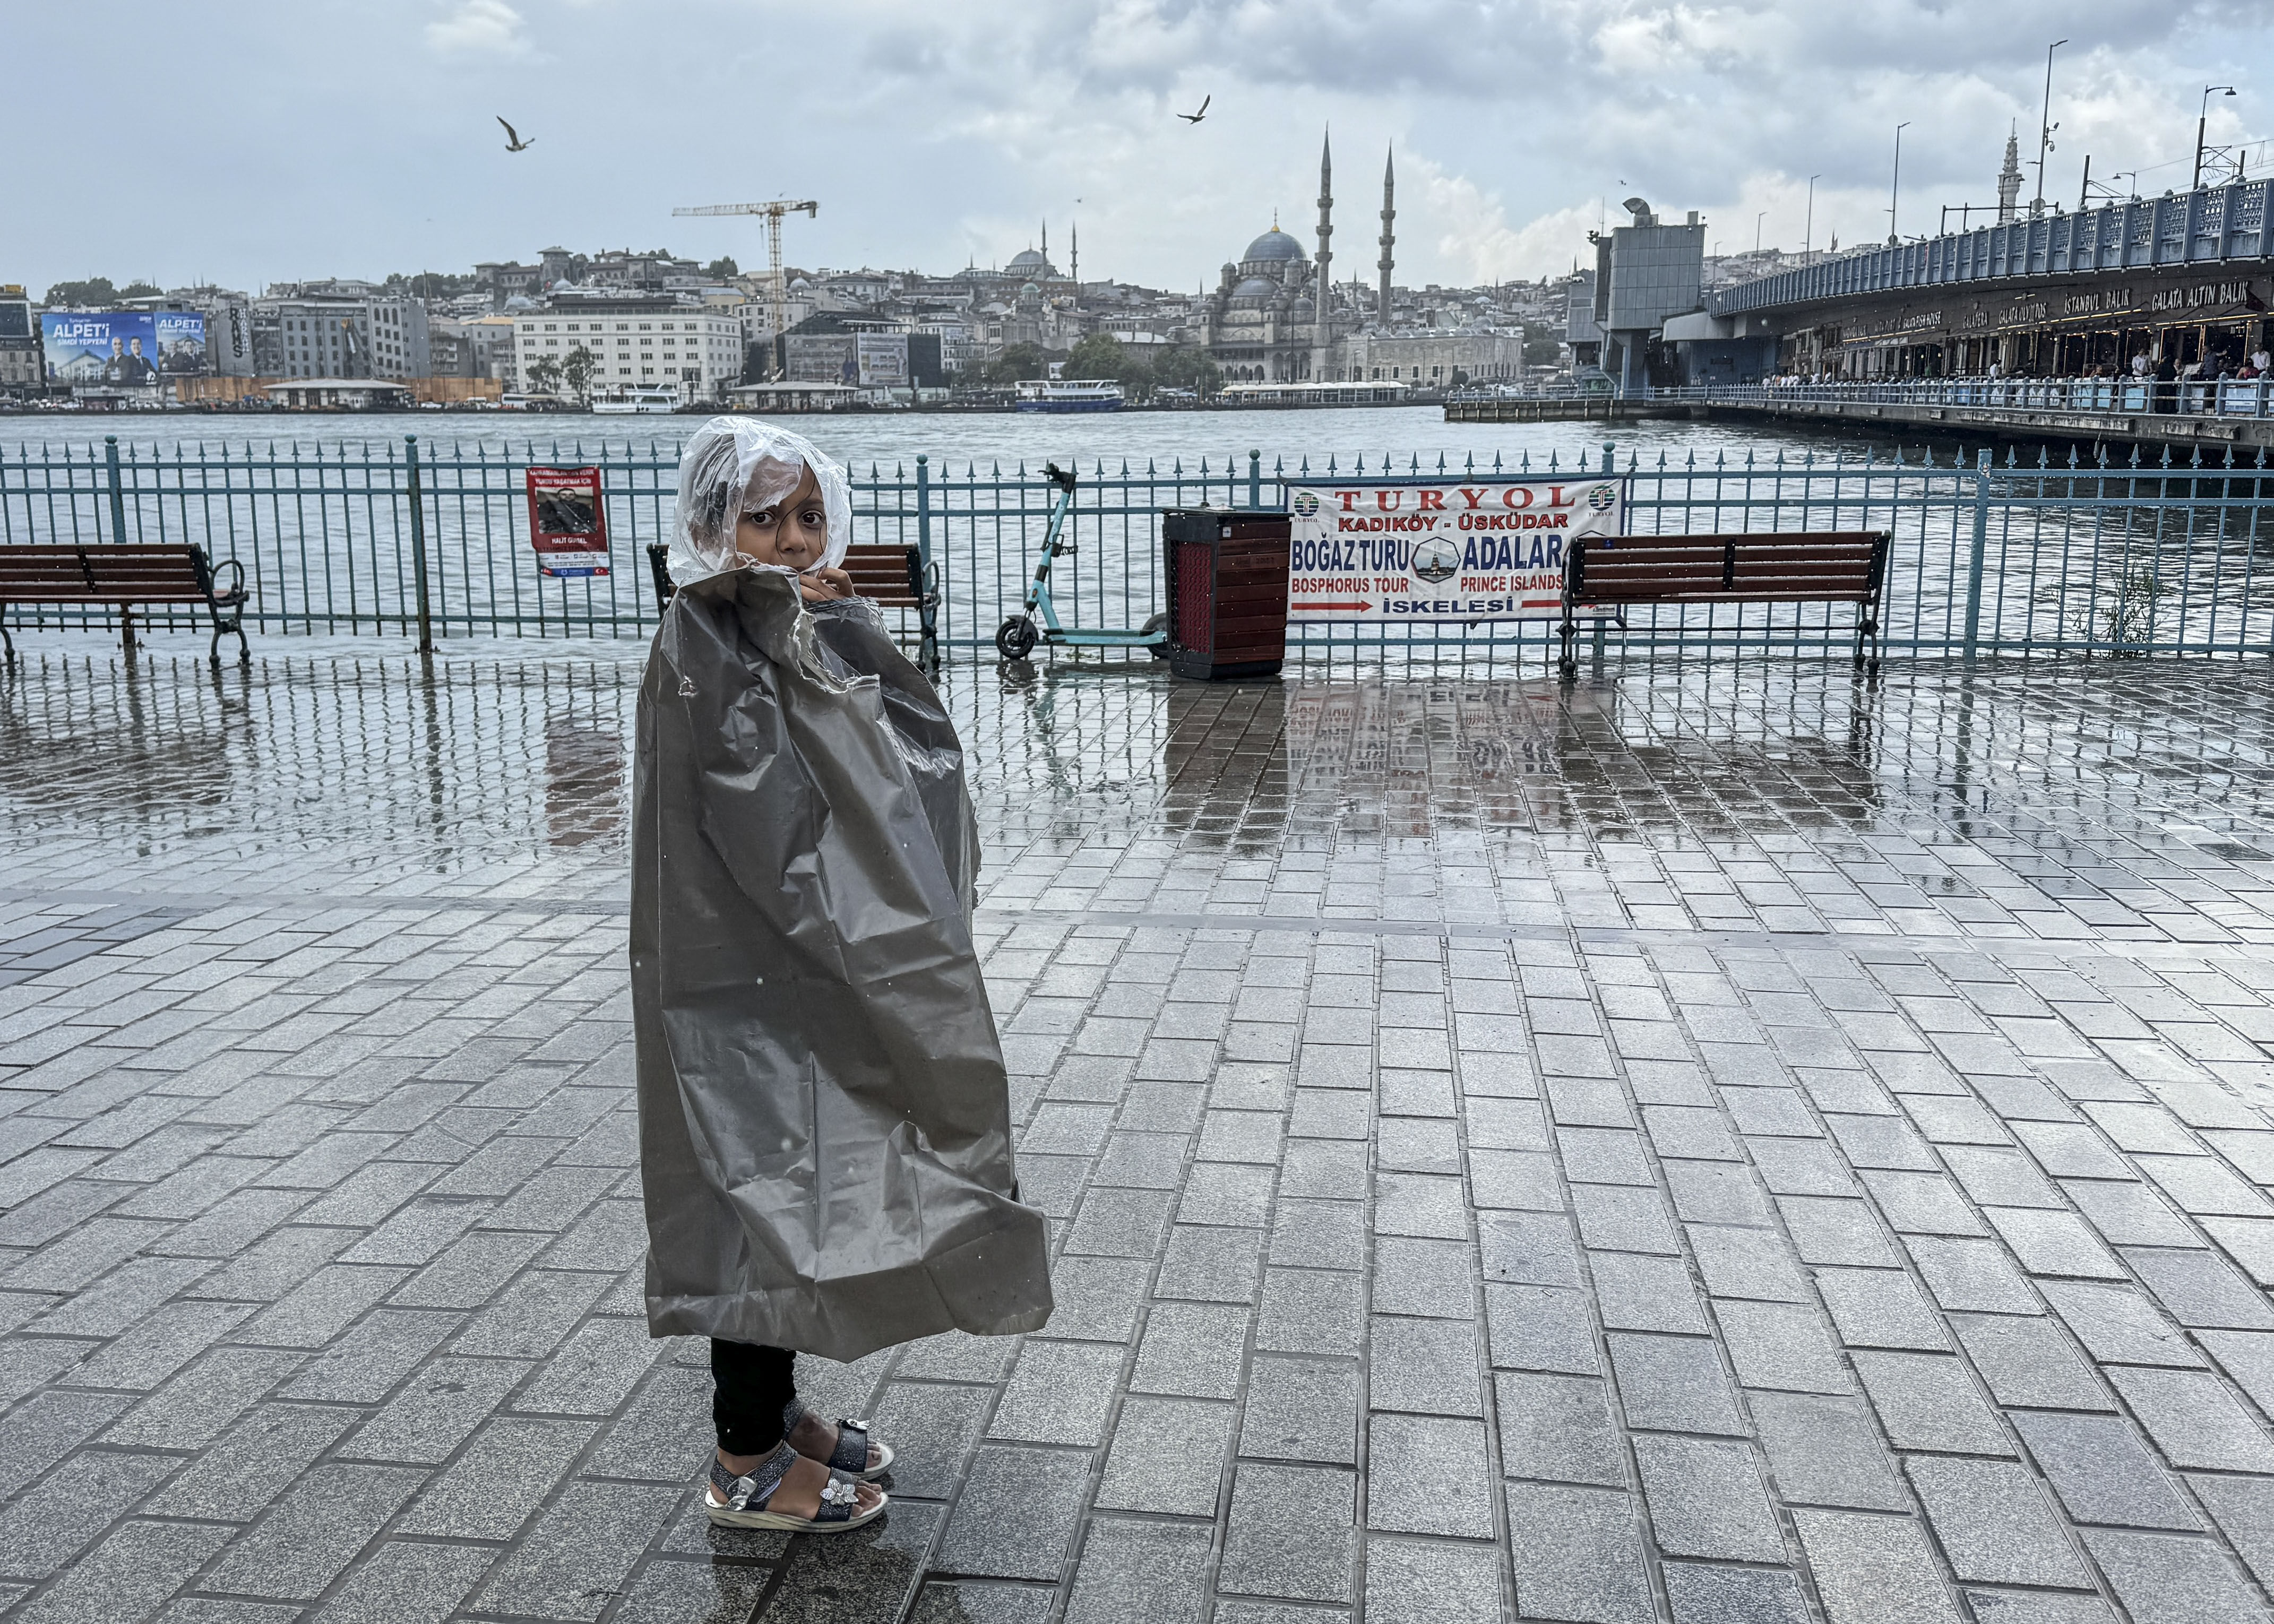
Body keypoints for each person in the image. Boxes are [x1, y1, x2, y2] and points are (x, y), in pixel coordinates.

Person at [632, 419, 1053, 1536]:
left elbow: (900, 776)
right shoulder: (711, 642)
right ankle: (744, 1462)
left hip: (789, 979)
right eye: (764, 517)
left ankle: (773, 1417)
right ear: (712, 526)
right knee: (757, 1193)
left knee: (789, 1185)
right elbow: (791, 823)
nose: (789, 540)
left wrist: (837, 631)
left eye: (809, 515)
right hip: (752, 984)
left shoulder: (773, 631)